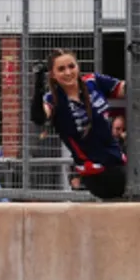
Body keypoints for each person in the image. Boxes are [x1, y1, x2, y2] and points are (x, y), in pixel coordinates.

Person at [30, 48, 128, 200]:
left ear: (78, 67)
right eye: (61, 69)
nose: (68, 72)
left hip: (117, 161)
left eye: (71, 66)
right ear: (53, 75)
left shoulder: (93, 81)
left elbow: (125, 89)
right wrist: (38, 86)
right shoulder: (53, 100)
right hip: (97, 174)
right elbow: (38, 118)